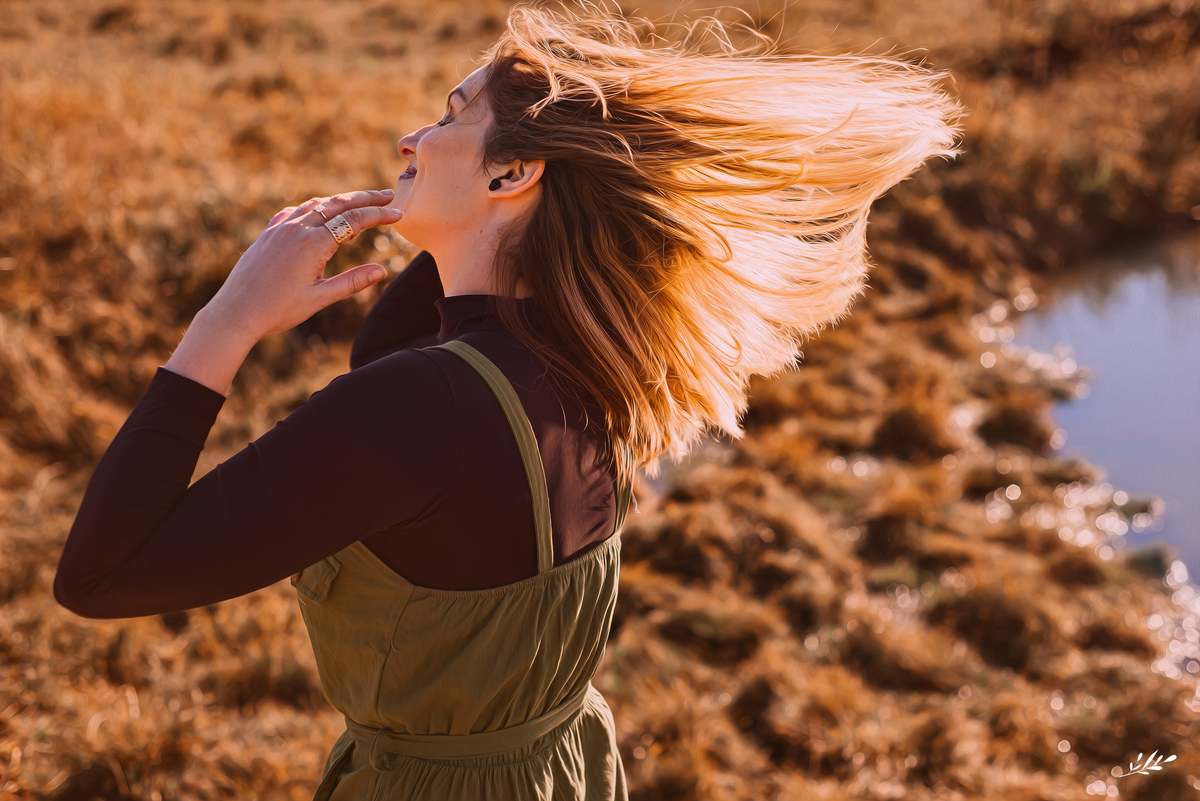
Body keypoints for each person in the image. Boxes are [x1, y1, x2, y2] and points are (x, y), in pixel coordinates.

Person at [54, 3, 960, 799]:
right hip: (566, 771)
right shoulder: (587, 352)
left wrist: (229, 318)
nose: (409, 138)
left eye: (450, 114)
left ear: (511, 177)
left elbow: (100, 577)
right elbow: (406, 345)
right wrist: (455, 220)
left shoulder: (419, 408)